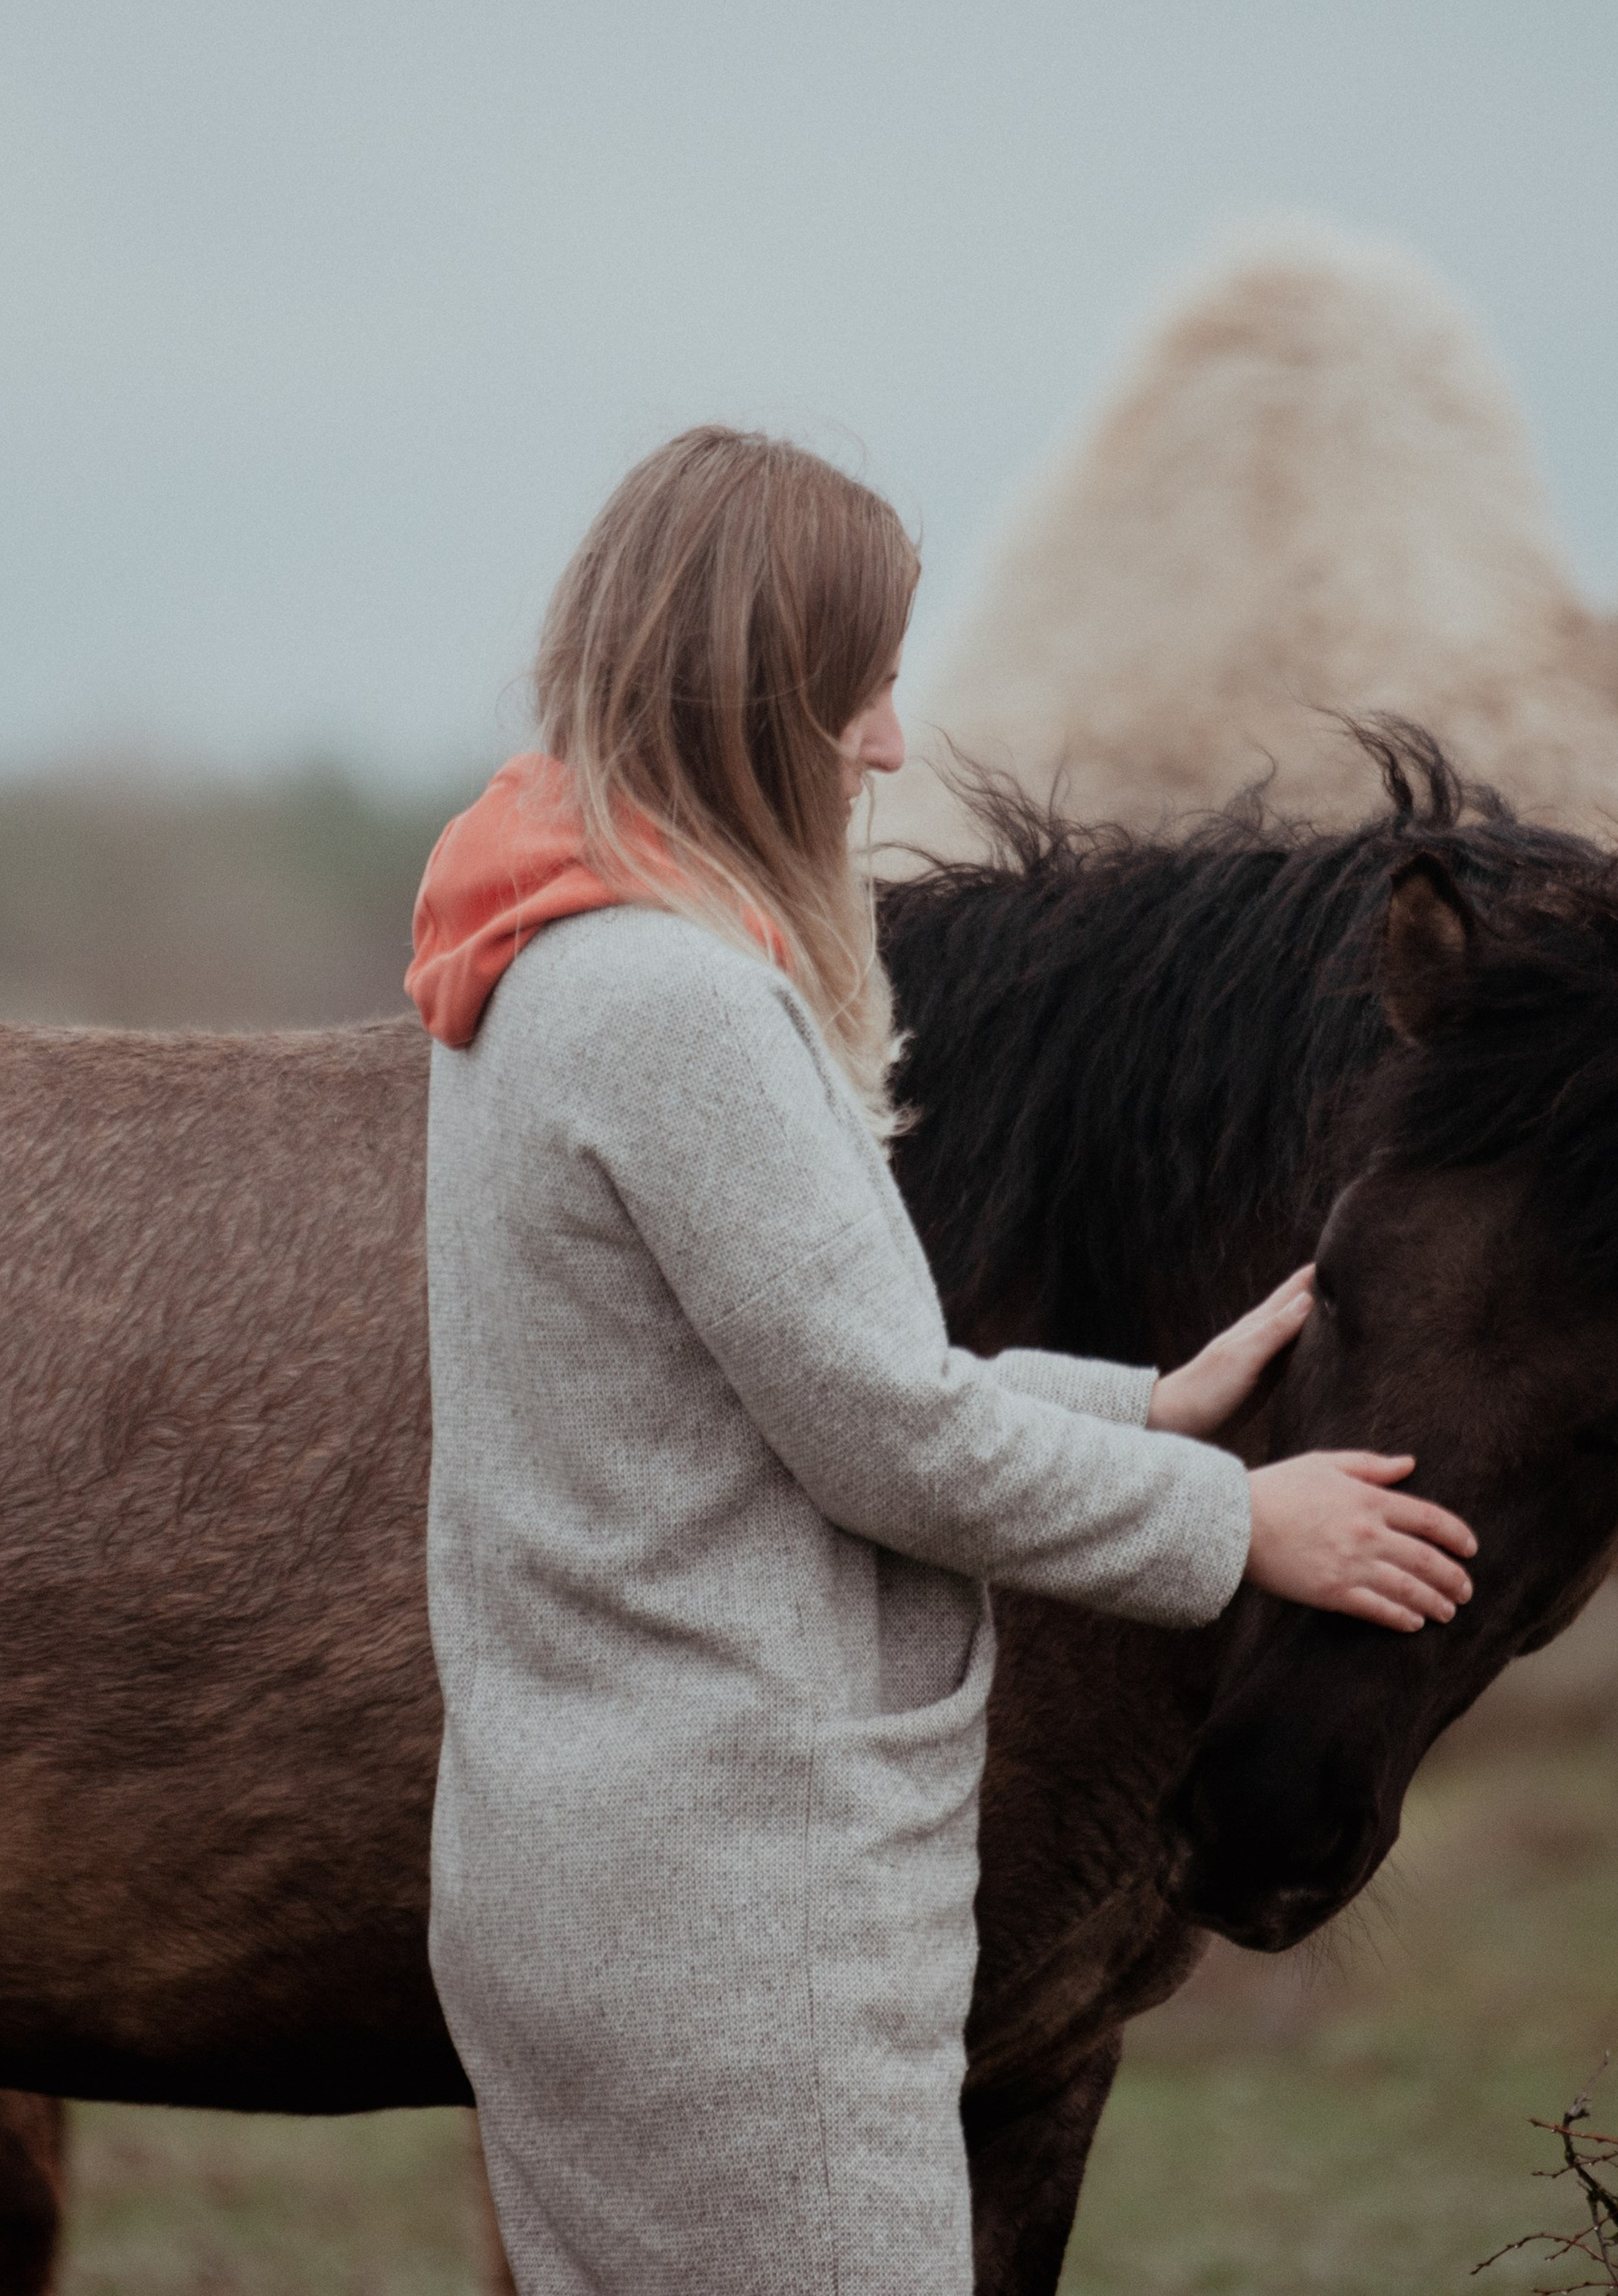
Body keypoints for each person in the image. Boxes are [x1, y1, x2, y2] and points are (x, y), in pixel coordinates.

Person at [405, 427, 1476, 2296]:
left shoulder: (539, 961)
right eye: (865, 689)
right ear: (758, 691)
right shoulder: (681, 1008)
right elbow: (887, 1446)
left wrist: (1137, 1403)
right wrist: (1237, 1521)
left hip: (591, 1879)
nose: (892, 746)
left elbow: (749, 1408)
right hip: (731, 1933)